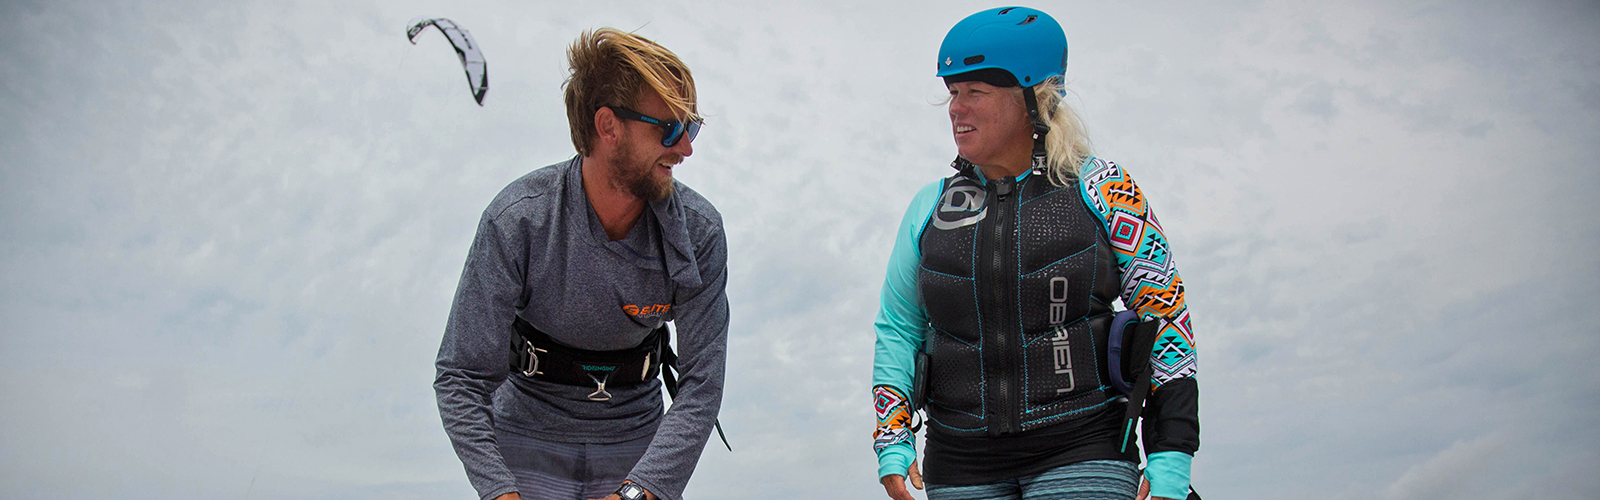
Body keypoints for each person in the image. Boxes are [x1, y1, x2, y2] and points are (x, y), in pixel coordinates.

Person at [871, 7, 1200, 500]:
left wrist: (1171, 454)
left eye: (975, 93)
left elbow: (1165, 315)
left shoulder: (1106, 187)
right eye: (953, 93)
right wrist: (892, 440)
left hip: (1083, 446)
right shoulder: (929, 207)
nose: (956, 109)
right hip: (961, 460)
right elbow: (898, 328)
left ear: (1035, 101)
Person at [435, 28, 728, 500]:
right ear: (608, 126)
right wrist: (500, 492)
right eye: (670, 129)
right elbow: (460, 376)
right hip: (527, 430)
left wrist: (639, 493)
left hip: (637, 438)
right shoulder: (516, 221)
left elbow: (701, 385)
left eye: (690, 128)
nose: (686, 148)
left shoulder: (701, 233)